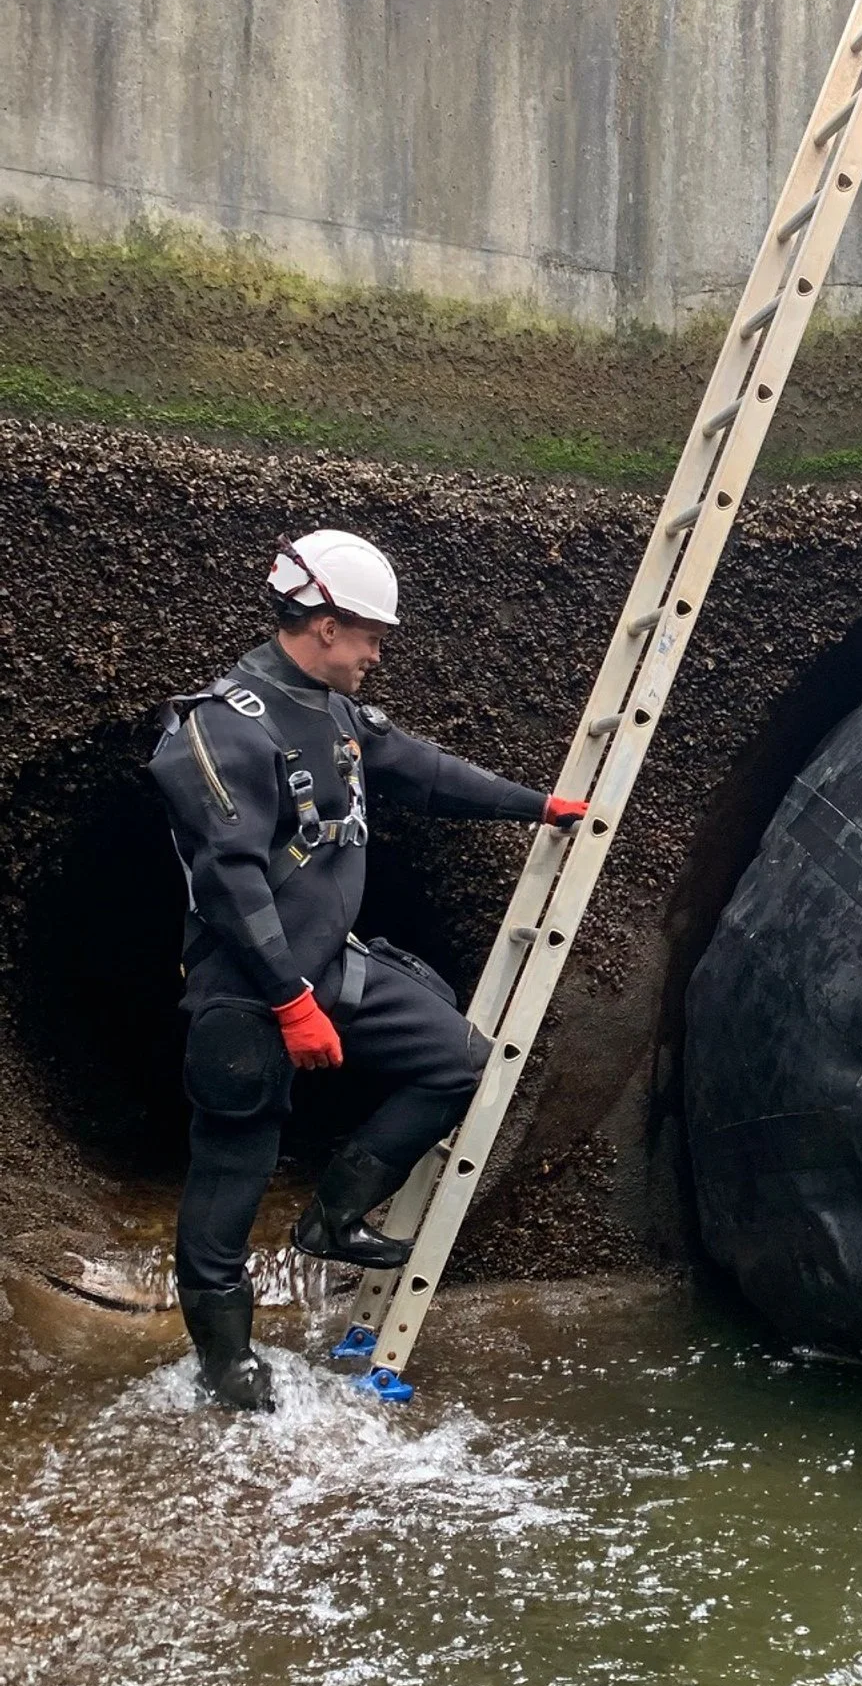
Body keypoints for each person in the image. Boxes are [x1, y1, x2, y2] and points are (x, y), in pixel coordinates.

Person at [150, 530, 587, 1412]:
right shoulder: (222, 726)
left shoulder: (336, 711)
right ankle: (226, 1362)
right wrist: (287, 1000)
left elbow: (422, 771)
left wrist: (536, 805)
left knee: (458, 1061)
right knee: (234, 1160)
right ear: (320, 625)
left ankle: (332, 1218)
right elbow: (228, 882)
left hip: (332, 967)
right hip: (249, 986)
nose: (376, 656)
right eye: (368, 637)